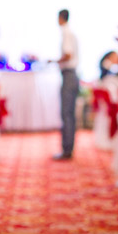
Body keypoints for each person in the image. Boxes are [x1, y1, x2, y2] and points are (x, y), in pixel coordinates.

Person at [52, 9, 79, 160]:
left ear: (61, 18)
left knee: (66, 113)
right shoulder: (70, 32)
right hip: (71, 75)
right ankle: (68, 148)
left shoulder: (66, 33)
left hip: (69, 75)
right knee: (69, 113)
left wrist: (54, 61)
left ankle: (67, 149)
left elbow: (68, 54)